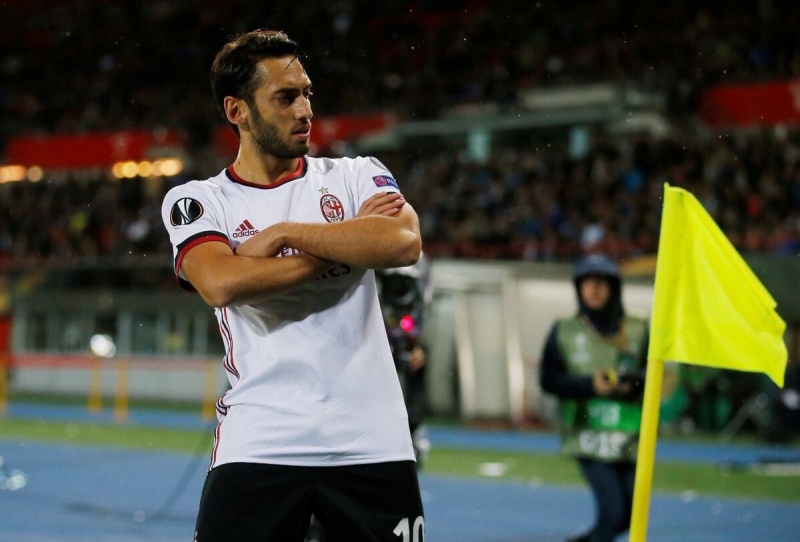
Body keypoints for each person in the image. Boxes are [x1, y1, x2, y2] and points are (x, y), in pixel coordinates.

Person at [160, 30, 425, 541]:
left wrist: (284, 235)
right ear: (237, 111)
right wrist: (348, 245)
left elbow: (402, 242)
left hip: (372, 439)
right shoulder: (198, 200)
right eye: (285, 97)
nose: (305, 110)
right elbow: (220, 282)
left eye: (306, 93)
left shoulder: (356, 174)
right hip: (260, 440)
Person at [539, 254, 648, 542]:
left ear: (615, 288)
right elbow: (548, 380)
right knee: (613, 513)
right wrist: (590, 385)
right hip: (587, 435)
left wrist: (632, 383)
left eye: (601, 282)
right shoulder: (564, 330)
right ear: (578, 289)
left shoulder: (638, 328)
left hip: (629, 436)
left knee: (629, 516)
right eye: (587, 282)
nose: (594, 289)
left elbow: (654, 375)